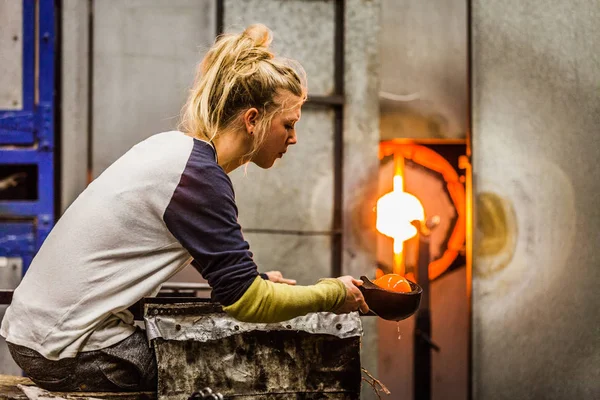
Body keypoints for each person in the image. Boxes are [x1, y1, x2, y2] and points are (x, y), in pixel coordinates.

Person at [0, 23, 369, 393]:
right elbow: (248, 302)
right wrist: (333, 293)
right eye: (288, 124)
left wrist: (254, 284)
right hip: (68, 351)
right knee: (231, 366)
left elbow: (232, 281)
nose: (294, 138)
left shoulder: (172, 151)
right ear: (253, 119)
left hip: (35, 332)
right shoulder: (199, 178)